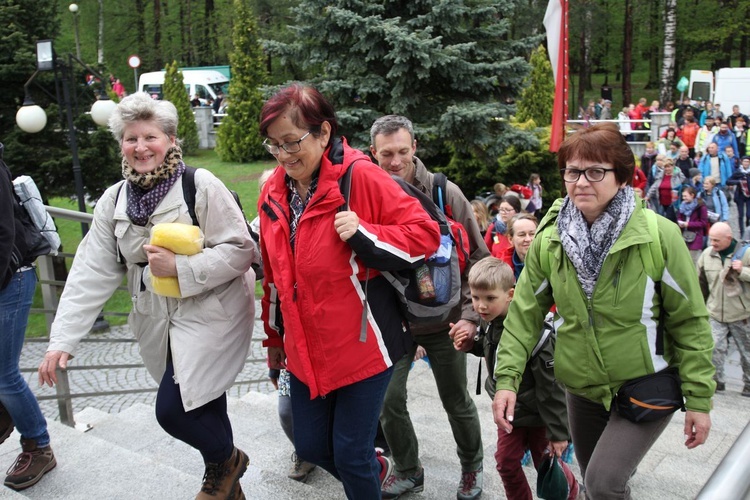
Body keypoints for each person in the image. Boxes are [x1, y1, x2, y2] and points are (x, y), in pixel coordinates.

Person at [38, 92, 259, 499]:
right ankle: (227, 487)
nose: (140, 147)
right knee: (203, 401)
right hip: (154, 313)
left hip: (213, 309)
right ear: (121, 143)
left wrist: (181, 268)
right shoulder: (114, 200)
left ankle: (227, 460)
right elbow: (91, 270)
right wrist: (62, 341)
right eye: (131, 138)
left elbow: (242, 249)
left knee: (173, 411)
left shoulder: (200, 184)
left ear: (171, 140)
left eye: (150, 137)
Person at [492, 122, 715, 499]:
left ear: (622, 176)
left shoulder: (659, 235)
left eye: (596, 172)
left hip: (645, 383)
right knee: (600, 485)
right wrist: (507, 380)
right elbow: (524, 316)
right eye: (573, 171)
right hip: (581, 387)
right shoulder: (551, 241)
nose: (581, 182)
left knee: (603, 483)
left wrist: (699, 399)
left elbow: (690, 320)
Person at [258, 86, 441, 500]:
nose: (284, 156)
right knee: (309, 446)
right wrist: (274, 341)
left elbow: (426, 235)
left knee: (351, 453)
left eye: (292, 142)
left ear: (323, 133)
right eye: (274, 146)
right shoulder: (273, 191)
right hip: (304, 348)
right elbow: (274, 278)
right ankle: (376, 469)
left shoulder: (361, 176)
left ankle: (365, 470)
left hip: (363, 344)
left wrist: (364, 232)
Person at [369, 114, 488, 500]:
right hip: (395, 325)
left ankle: (472, 468)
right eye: (386, 154)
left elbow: (480, 262)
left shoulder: (444, 193)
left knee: (456, 401)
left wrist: (471, 318)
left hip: (447, 322)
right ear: (373, 153)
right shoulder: (367, 197)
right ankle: (407, 469)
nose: (395, 161)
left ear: (415, 148)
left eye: (403, 151)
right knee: (388, 401)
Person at [453, 257, 579, 500]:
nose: (481, 306)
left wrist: (558, 432)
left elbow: (552, 387)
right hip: (511, 412)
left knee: (547, 464)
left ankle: (572, 492)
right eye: (476, 298)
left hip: (541, 416)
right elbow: (493, 350)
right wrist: (471, 344)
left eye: (490, 298)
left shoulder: (536, 334)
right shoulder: (491, 321)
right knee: (506, 462)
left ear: (510, 294)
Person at [0, 144, 56, 491]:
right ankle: (7, 413)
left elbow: (4, 234)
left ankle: (38, 445)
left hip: (11, 279)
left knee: (4, 374)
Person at [697, 222, 750, 396]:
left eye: (716, 240)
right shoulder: (707, 255)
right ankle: (716, 382)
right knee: (713, 347)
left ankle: (748, 384)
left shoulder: (746, 254)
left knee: (747, 353)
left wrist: (743, 271)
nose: (712, 243)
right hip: (714, 312)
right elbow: (700, 283)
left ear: (729, 238)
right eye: (711, 239)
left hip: (741, 314)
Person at [500, 213, 537, 282]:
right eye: (522, 235)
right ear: (510, 239)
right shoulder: (501, 268)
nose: (528, 239)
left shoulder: (548, 263)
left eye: (532, 234)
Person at [677, 186, 709, 263]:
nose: (683, 198)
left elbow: (703, 223)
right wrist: (680, 222)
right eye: (683, 196)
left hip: (696, 237)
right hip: (684, 236)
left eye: (685, 196)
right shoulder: (682, 206)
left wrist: (688, 224)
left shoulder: (701, 207)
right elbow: (679, 217)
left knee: (693, 261)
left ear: (692, 195)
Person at [728, 156, 750, 238]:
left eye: (747, 162)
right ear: (741, 162)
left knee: (748, 215)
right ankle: (742, 233)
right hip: (740, 195)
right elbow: (728, 181)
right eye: (745, 161)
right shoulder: (738, 172)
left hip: (749, 196)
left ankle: (748, 229)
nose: (746, 163)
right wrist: (738, 182)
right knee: (741, 215)